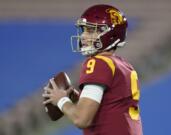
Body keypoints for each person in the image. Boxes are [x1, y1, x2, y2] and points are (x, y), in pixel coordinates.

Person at [42, 4, 143, 135]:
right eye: (83, 30)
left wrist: (60, 100)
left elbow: (82, 119)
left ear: (110, 33)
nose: (83, 36)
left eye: (90, 30)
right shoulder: (124, 65)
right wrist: (79, 99)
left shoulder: (97, 63)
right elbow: (111, 105)